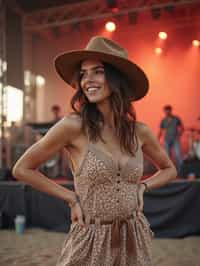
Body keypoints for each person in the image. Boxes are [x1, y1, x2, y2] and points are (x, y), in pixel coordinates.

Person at [12, 36, 177, 266]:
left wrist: (142, 187)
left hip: (132, 234)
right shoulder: (73, 126)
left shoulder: (139, 131)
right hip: (91, 238)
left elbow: (170, 169)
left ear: (116, 78)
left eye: (97, 71)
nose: (87, 80)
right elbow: (22, 169)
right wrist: (70, 198)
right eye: (83, 73)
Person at [158, 105, 184, 173]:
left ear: (170, 110)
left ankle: (181, 171)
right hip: (167, 139)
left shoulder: (176, 118)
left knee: (178, 155)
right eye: (165, 111)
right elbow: (160, 131)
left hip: (175, 139)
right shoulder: (163, 120)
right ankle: (170, 172)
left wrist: (179, 135)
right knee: (167, 157)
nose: (167, 112)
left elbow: (182, 127)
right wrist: (157, 139)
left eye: (168, 110)